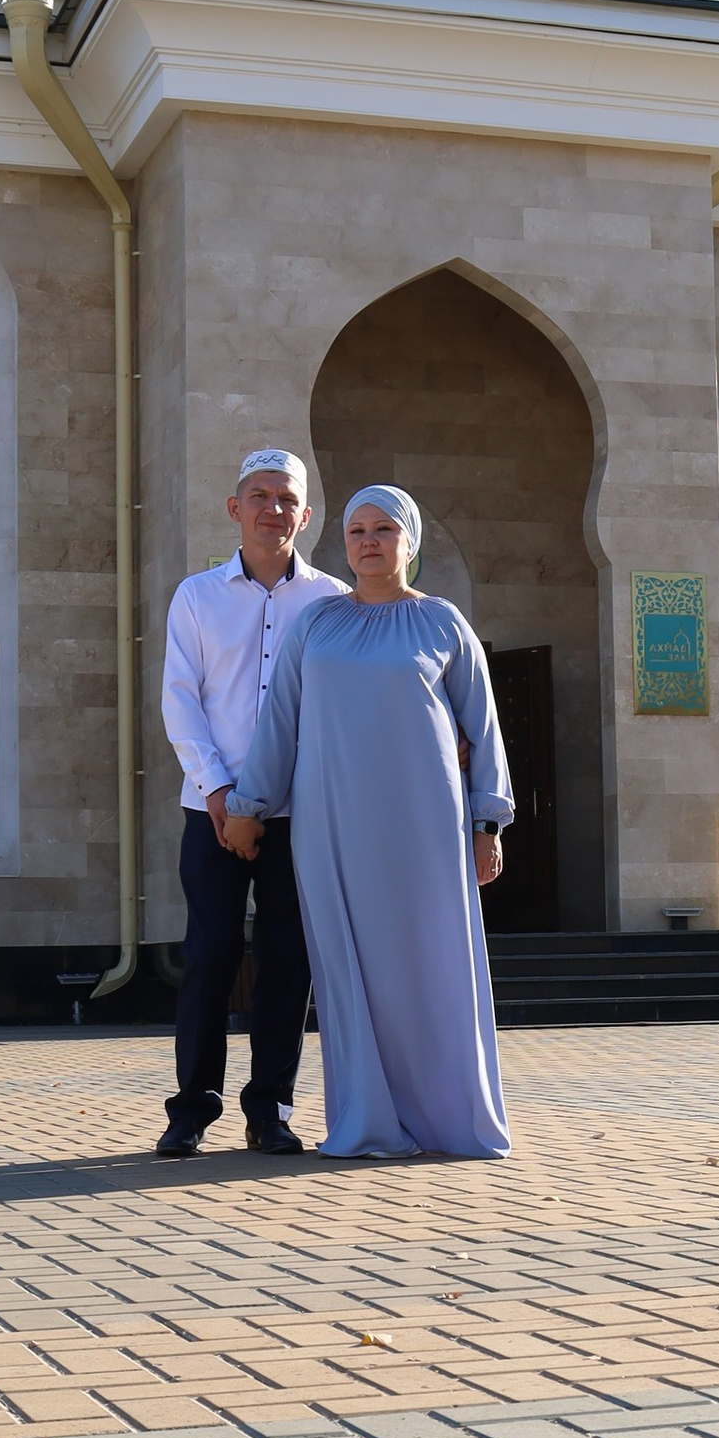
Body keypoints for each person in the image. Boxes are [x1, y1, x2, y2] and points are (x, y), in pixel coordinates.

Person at [223, 484, 514, 1161]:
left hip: (426, 829)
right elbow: (280, 722)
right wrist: (247, 806)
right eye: (357, 531)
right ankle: (369, 1121)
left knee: (431, 967)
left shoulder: (443, 623)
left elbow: (483, 729)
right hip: (332, 828)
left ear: (410, 541)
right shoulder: (317, 624)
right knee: (349, 974)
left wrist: (488, 823)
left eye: (384, 529)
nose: (369, 542)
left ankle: (446, 1119)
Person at [156, 448, 347, 1158]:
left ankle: (270, 1109)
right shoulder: (196, 597)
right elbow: (181, 699)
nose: (274, 508)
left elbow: (341, 708)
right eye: (260, 496)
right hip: (210, 811)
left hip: (300, 815)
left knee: (287, 961)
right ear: (235, 509)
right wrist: (217, 793)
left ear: (306, 514)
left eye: (287, 497)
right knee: (209, 956)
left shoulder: (331, 602)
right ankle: (191, 1110)